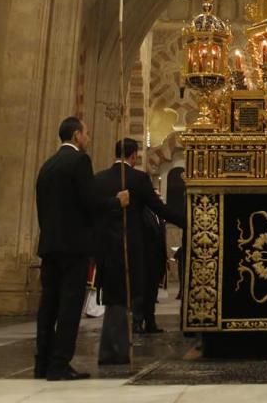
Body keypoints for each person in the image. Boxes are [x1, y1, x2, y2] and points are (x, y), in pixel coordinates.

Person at [34, 116, 128, 381]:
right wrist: (115, 202)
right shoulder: (79, 161)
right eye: (86, 133)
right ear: (76, 135)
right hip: (73, 247)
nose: (88, 138)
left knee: (48, 306)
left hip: (50, 245)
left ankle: (42, 363)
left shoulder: (48, 165)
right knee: (69, 306)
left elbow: (44, 207)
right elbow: (89, 202)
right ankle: (59, 364)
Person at [92, 138, 184, 365]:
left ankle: (111, 347)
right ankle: (116, 348)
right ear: (133, 156)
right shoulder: (138, 179)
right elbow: (160, 209)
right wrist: (189, 221)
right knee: (124, 297)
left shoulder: (99, 179)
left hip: (105, 248)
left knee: (112, 296)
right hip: (130, 248)